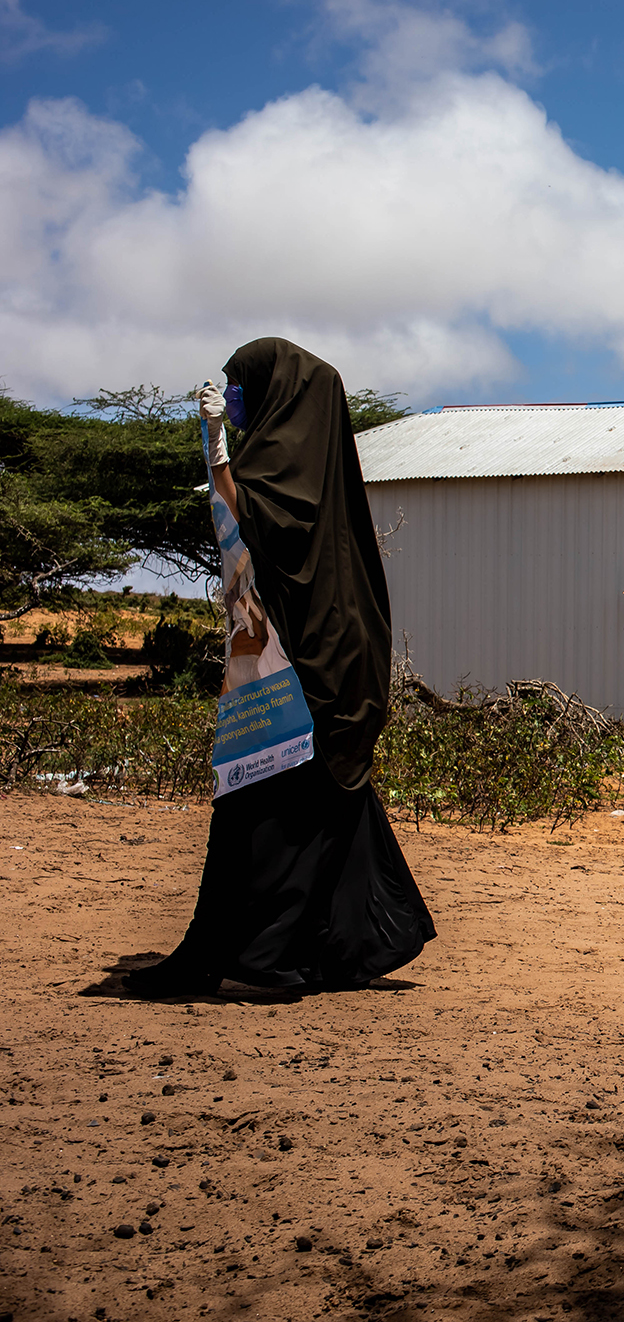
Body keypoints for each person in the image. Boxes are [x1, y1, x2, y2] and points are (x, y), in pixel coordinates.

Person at [126, 339, 433, 996]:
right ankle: (353, 945)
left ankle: (268, 961)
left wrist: (216, 449)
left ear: (278, 395)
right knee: (316, 810)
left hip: (313, 676)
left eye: (239, 389)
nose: (230, 400)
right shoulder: (304, 465)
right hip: (326, 670)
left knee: (276, 810)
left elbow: (253, 519)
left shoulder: (284, 469)